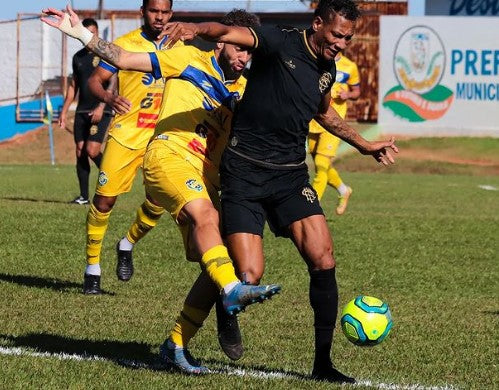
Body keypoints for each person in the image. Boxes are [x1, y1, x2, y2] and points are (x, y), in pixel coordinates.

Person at [158, 0, 399, 383]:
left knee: (324, 258)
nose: (342, 43)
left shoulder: (327, 69)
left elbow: (324, 112)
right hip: (244, 174)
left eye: (348, 38)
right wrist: (194, 27)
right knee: (249, 273)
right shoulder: (278, 42)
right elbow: (226, 32)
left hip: (290, 177)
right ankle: (226, 305)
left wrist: (364, 144)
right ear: (318, 24)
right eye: (337, 35)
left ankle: (323, 364)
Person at [41, 5, 280, 375]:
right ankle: (229, 292)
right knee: (207, 218)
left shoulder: (246, 89)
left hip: (208, 176)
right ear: (220, 43)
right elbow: (123, 57)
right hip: (169, 156)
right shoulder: (186, 58)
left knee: (217, 258)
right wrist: (84, 36)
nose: (244, 57)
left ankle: (176, 343)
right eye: (238, 48)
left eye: (250, 50)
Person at [83, 0, 181, 294]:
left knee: (158, 203)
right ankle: (92, 269)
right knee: (104, 201)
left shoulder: (179, 47)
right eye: (154, 11)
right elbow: (95, 81)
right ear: (143, 12)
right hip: (127, 134)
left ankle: (126, 244)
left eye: (165, 12)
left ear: (171, 14)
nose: (159, 17)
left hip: (163, 137)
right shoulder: (124, 45)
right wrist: (109, 99)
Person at [58, 18, 114, 205]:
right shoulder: (77, 58)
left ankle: (111, 181)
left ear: (96, 33)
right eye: (86, 32)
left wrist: (101, 106)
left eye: (92, 32)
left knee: (92, 150)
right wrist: (64, 112)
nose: (89, 36)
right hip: (82, 111)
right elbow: (73, 87)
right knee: (80, 151)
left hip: (102, 111)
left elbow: (114, 83)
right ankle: (83, 197)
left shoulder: (106, 55)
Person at [308, 49, 360, 215]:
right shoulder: (318, 62)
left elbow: (357, 91)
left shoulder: (349, 66)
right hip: (315, 118)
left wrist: (348, 94)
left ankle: (311, 208)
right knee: (321, 164)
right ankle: (344, 190)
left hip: (334, 122)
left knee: (322, 165)